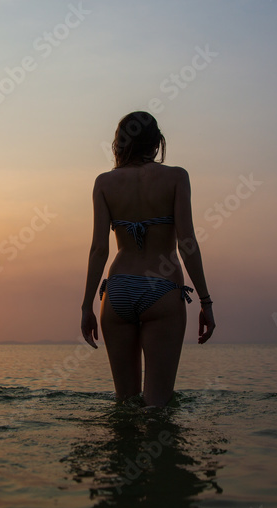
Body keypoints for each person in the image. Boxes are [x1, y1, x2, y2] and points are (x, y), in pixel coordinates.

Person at [81, 111, 215, 407]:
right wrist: (205, 301)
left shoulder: (104, 183)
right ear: (156, 144)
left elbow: (98, 250)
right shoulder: (176, 177)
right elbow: (187, 243)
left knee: (125, 405)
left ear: (119, 143)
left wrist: (86, 306)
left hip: (117, 293)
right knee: (158, 407)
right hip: (162, 289)